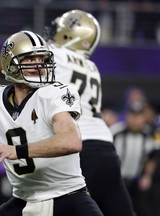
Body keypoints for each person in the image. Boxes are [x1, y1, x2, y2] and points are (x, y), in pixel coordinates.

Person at [0, 30, 103, 216]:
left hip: (67, 196)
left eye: (42, 59)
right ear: (11, 64)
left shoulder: (55, 94)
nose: (39, 65)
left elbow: (71, 141)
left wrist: (17, 151)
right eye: (30, 60)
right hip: (24, 199)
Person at [44, 9, 135, 216]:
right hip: (106, 147)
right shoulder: (92, 67)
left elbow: (14, 67)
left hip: (77, 148)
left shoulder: (55, 55)